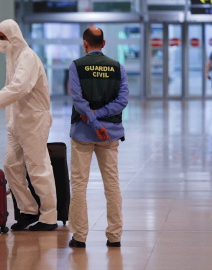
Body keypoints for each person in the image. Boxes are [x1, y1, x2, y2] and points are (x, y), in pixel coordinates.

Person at [0, 19, 58, 231]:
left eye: (3, 37)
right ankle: (28, 210)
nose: (1, 42)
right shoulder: (12, 57)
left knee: (38, 168)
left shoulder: (27, 57)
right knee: (11, 166)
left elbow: (19, 87)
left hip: (33, 122)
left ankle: (49, 216)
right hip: (16, 122)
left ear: (13, 36)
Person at [68, 27, 129, 248]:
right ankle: (115, 236)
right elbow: (122, 100)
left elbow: (78, 99)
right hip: (110, 134)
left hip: (83, 134)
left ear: (85, 43)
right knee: (112, 184)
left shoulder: (76, 66)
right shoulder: (117, 67)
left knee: (79, 184)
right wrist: (101, 120)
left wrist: (93, 119)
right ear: (103, 44)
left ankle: (79, 236)